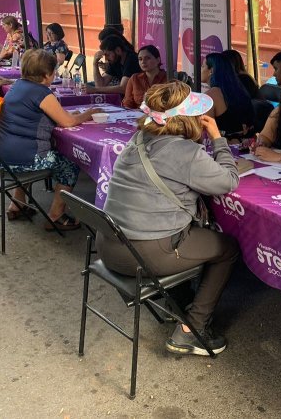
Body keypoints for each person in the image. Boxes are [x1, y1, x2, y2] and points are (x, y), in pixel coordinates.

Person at [98, 80, 241, 356]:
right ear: (189, 118)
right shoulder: (185, 151)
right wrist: (218, 138)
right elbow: (229, 180)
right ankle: (192, 330)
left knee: (183, 233)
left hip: (110, 245)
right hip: (145, 255)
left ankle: (177, 305)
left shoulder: (138, 138)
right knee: (227, 248)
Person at [0, 49, 102, 229]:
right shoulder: (41, 93)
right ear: (47, 74)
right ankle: (56, 216)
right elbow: (67, 122)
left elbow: (38, 115)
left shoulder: (16, 86)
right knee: (69, 163)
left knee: (42, 152)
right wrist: (88, 114)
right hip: (23, 159)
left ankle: (18, 204)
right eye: (54, 71)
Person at [201, 52, 255, 137]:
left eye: (203, 66)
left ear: (211, 70)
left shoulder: (210, 95)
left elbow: (206, 128)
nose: (200, 69)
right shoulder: (238, 89)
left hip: (223, 146)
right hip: (245, 145)